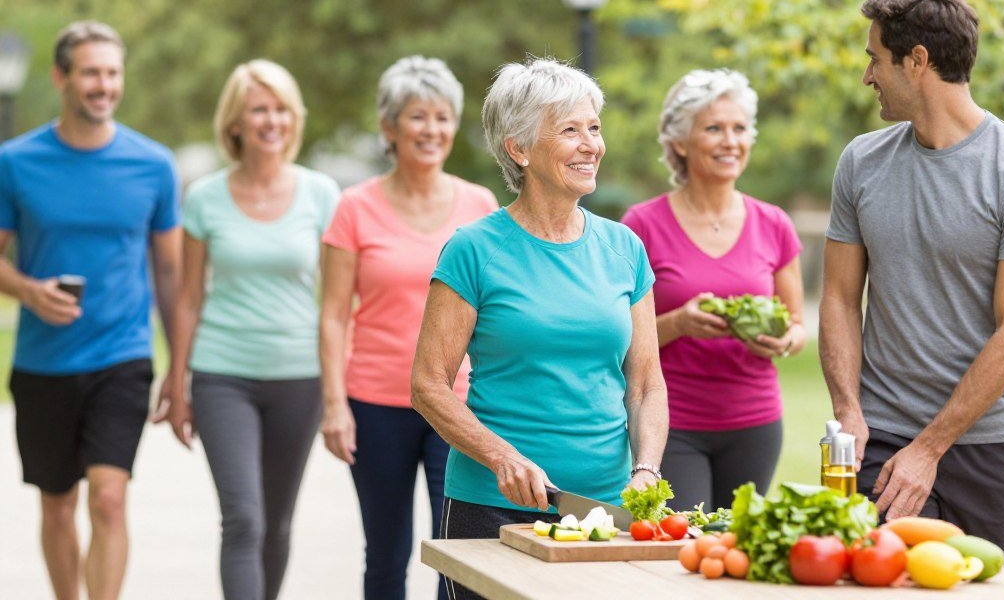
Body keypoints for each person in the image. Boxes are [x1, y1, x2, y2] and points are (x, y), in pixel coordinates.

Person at [410, 57, 669, 600]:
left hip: (604, 508)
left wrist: (646, 468)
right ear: (519, 149)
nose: (590, 144)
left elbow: (645, 383)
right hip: (492, 509)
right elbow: (429, 385)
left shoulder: (624, 249)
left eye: (594, 128)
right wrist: (502, 456)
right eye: (570, 130)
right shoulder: (473, 250)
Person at [820, 0, 1004, 567]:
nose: (867, 77)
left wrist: (931, 446)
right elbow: (837, 297)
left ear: (917, 61)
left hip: (992, 445)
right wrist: (848, 413)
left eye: (874, 59)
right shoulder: (861, 161)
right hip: (879, 438)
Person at [0, 21, 181, 600]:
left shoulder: (153, 165)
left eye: (112, 72)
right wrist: (28, 291)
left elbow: (171, 273)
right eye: (90, 72)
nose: (103, 84)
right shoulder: (15, 162)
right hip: (42, 362)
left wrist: (179, 368)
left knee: (108, 496)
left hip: (121, 356)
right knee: (57, 507)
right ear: (61, 78)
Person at [154, 60, 339, 599]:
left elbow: (335, 301)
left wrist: (335, 391)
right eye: (259, 108)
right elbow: (188, 299)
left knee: (277, 525)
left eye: (281, 108)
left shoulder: (321, 194)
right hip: (221, 376)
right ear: (235, 122)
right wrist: (178, 381)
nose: (272, 119)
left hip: (298, 377)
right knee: (244, 520)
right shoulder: (205, 197)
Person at [319, 55, 498, 600]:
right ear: (389, 127)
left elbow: (494, 312)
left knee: (460, 554)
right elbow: (331, 314)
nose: (432, 129)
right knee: (387, 552)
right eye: (417, 117)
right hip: (376, 404)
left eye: (443, 117)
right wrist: (333, 405)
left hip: (458, 405)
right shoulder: (353, 208)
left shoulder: (479, 205)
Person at [621, 69, 806, 511]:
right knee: (684, 548)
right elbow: (621, 337)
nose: (730, 141)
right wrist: (679, 323)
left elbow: (797, 324)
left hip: (756, 421)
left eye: (739, 129)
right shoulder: (641, 226)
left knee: (736, 549)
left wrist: (785, 340)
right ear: (680, 142)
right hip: (673, 422)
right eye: (714, 128)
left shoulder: (774, 223)